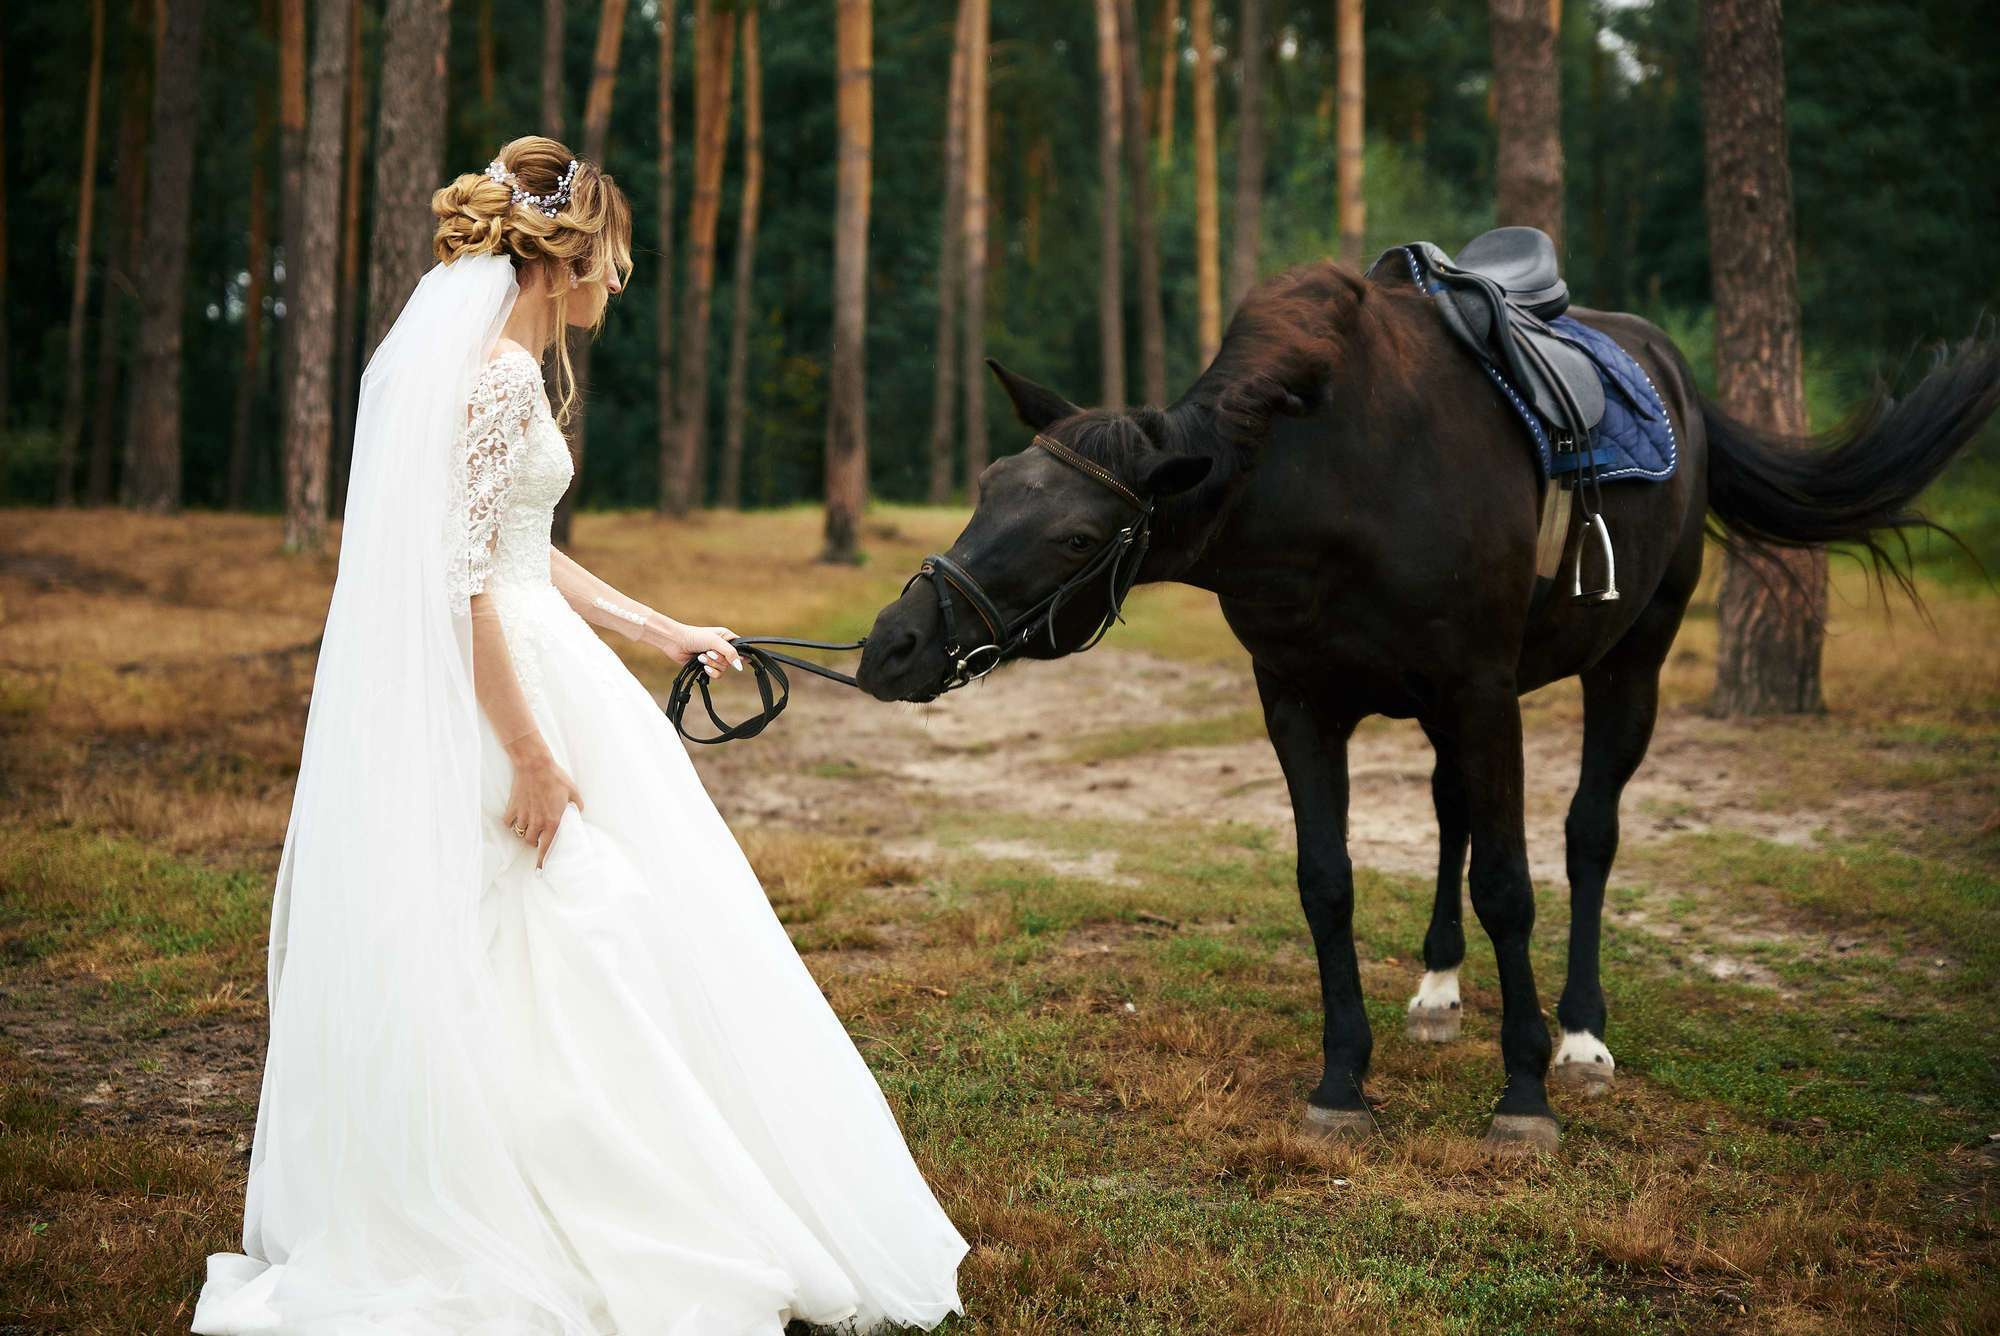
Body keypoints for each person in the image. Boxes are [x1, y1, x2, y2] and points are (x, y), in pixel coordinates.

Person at [191, 136, 969, 1335]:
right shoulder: (500, 380)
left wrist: (662, 629)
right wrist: (535, 756)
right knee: (568, 926)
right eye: (614, 255)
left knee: (586, 937)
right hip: (505, 693)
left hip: (541, 656)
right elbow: (461, 588)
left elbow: (519, 548)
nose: (623, 277)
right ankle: (559, 1201)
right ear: (564, 258)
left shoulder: (505, 370)